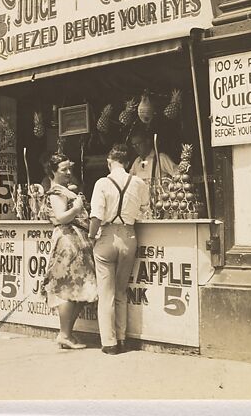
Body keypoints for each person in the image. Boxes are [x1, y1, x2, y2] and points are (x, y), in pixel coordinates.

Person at [88, 144, 149, 355]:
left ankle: (110, 343)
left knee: (107, 294)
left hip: (106, 237)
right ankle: (122, 339)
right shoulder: (139, 182)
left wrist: (90, 236)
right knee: (122, 291)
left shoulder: (102, 183)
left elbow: (96, 216)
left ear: (109, 161)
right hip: (130, 236)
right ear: (126, 162)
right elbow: (144, 209)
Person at [40, 152, 98, 349]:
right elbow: (61, 216)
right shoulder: (57, 192)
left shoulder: (65, 190)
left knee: (80, 289)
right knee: (68, 289)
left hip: (75, 241)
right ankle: (64, 334)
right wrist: (77, 208)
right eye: (63, 169)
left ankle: (66, 334)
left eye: (69, 168)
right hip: (68, 242)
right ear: (53, 172)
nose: (68, 172)